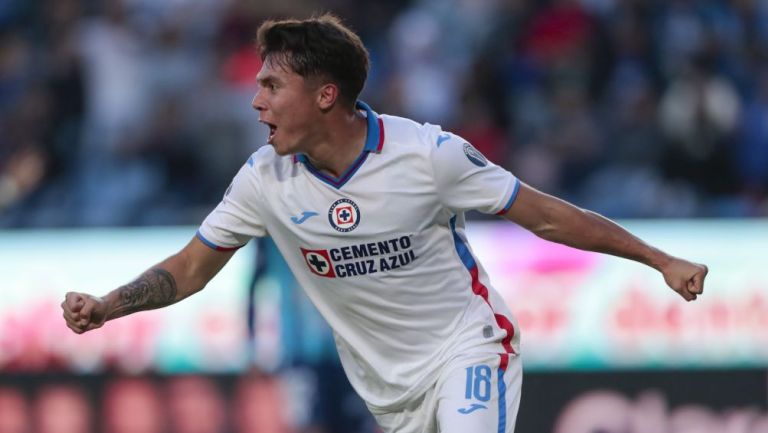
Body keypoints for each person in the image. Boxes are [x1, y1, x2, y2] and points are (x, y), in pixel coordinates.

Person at [61, 14, 708, 433]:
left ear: (324, 95)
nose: (255, 99)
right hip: (385, 390)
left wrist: (660, 259)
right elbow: (190, 267)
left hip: (469, 347)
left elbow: (546, 215)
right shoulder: (264, 179)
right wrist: (108, 305)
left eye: (270, 86)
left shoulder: (429, 155)